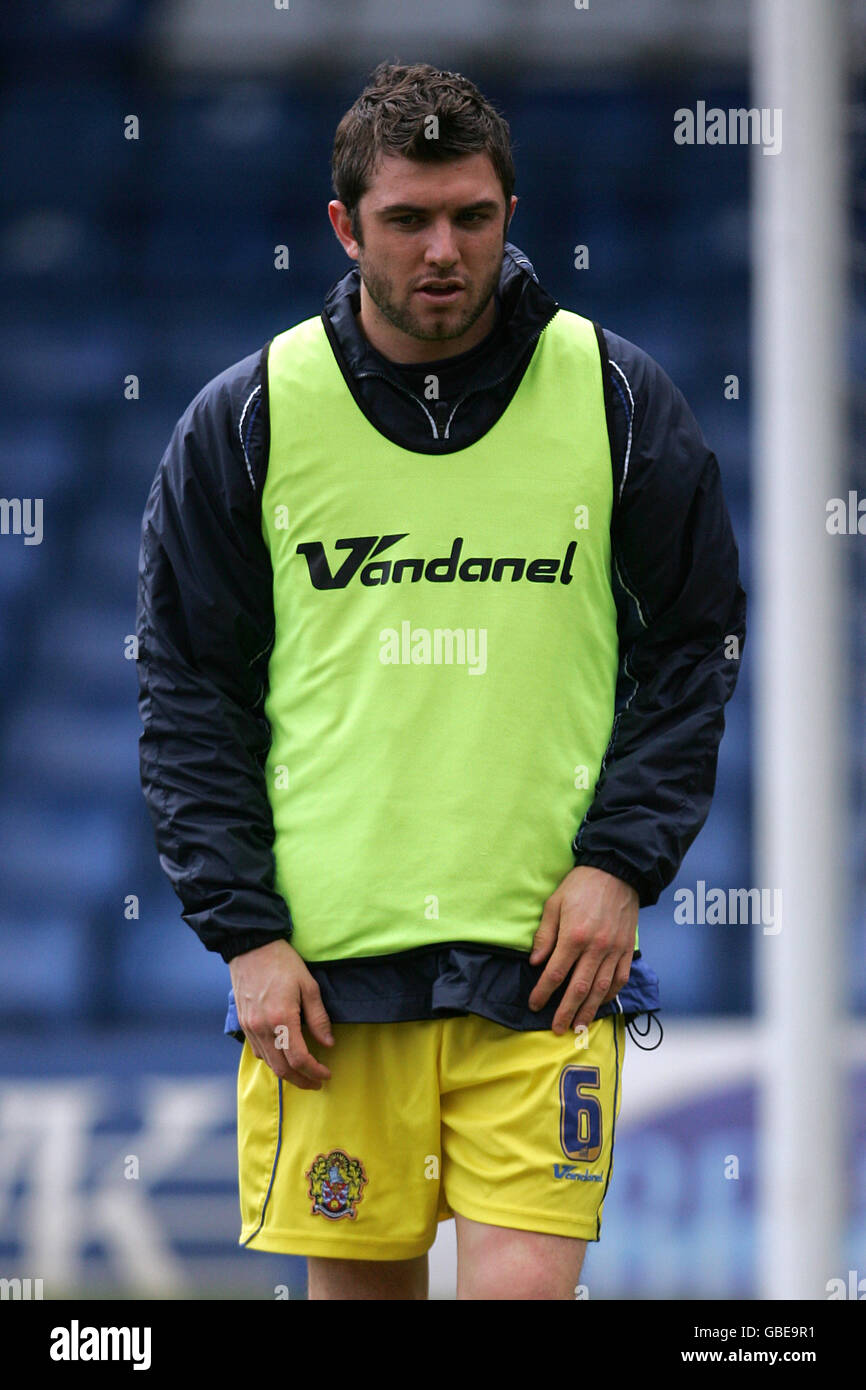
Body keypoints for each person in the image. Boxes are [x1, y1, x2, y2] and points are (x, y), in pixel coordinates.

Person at [136, 61, 746, 1301]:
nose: (442, 249)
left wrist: (620, 863)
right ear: (344, 226)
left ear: (508, 214)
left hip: (543, 967)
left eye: (471, 215)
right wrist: (244, 933)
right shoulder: (246, 418)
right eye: (407, 218)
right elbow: (188, 690)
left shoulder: (617, 400)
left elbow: (696, 643)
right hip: (328, 980)